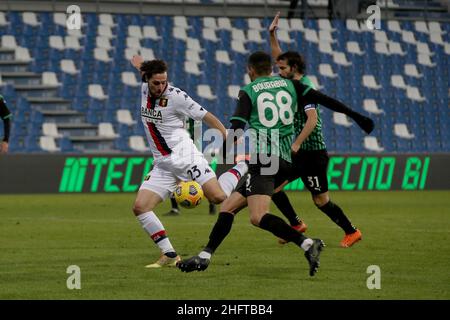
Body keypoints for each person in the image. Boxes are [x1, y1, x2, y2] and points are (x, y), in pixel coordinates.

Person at [177, 51, 339, 277]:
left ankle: (307, 244)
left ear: (250, 70)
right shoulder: (288, 84)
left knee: (257, 216)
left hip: (264, 160)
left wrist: (221, 155)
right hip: (286, 159)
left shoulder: (249, 91)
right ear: (271, 68)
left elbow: (237, 126)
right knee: (228, 208)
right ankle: (204, 257)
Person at [130, 56, 247, 268]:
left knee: (218, 197)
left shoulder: (176, 97)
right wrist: (139, 64)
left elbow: (207, 116)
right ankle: (169, 254)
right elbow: (142, 69)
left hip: (186, 157)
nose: (161, 86)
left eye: (164, 82)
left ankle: (242, 167)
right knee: (140, 207)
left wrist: (225, 134)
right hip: (163, 164)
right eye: (156, 82)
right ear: (146, 80)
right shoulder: (144, 88)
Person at [268, 12, 372, 247]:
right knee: (271, 186)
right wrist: (272, 35)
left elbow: (312, 119)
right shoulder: (292, 81)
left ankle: (351, 231)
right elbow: (279, 57)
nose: (279, 71)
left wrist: (296, 143)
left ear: (293, 68)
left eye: (282, 68)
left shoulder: (305, 87)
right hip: (300, 152)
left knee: (321, 200)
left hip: (312, 153)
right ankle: (295, 224)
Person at [164, 117, 217, 216]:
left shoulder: (186, 113)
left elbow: (196, 134)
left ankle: (212, 202)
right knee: (174, 177)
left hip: (190, 149)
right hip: (180, 149)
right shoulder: (185, 112)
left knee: (199, 179)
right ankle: (175, 208)